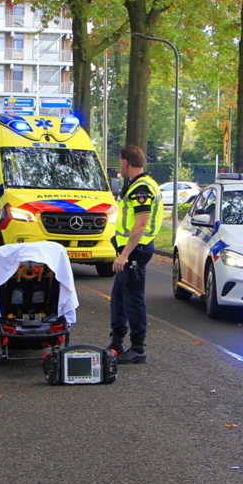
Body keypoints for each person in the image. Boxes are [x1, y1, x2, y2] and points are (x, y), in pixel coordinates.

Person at [108, 145, 163, 364]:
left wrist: (125, 255)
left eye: (120, 161)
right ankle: (116, 343)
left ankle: (138, 348)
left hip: (135, 251)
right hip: (129, 250)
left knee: (133, 299)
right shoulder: (137, 185)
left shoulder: (141, 188)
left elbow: (140, 225)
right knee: (119, 299)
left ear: (125, 162)